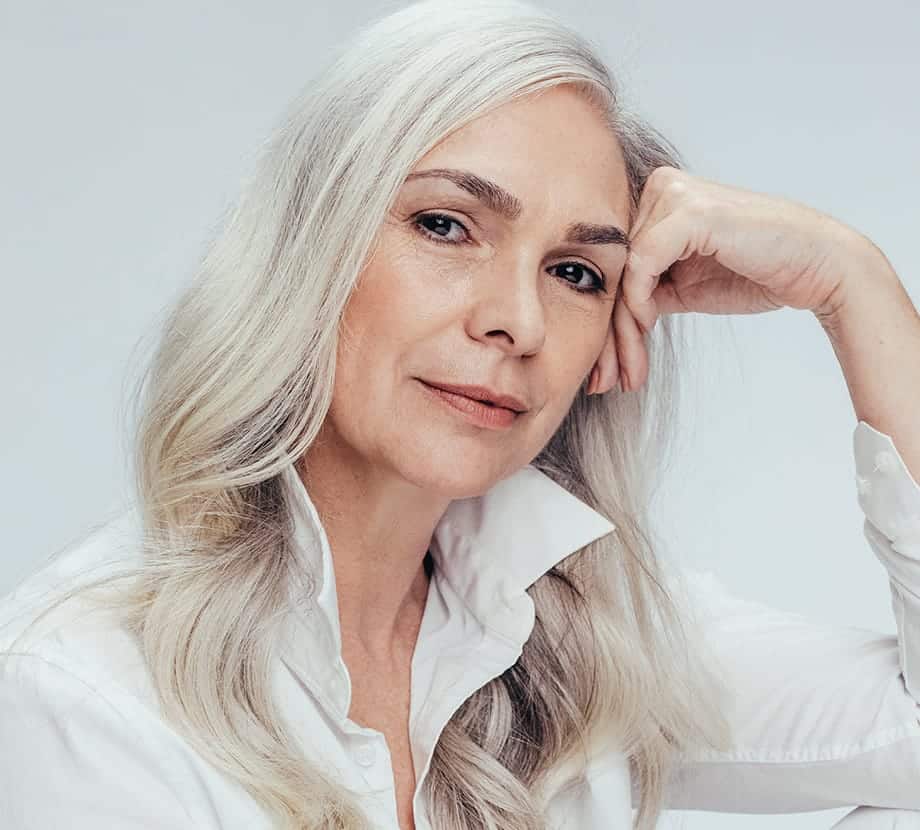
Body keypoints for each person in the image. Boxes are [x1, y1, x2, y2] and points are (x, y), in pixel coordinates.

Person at [1, 1, 919, 829]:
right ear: (312, 241)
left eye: (575, 273)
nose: (516, 321)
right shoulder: (84, 697)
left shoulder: (576, 636)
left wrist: (851, 282)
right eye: (445, 225)